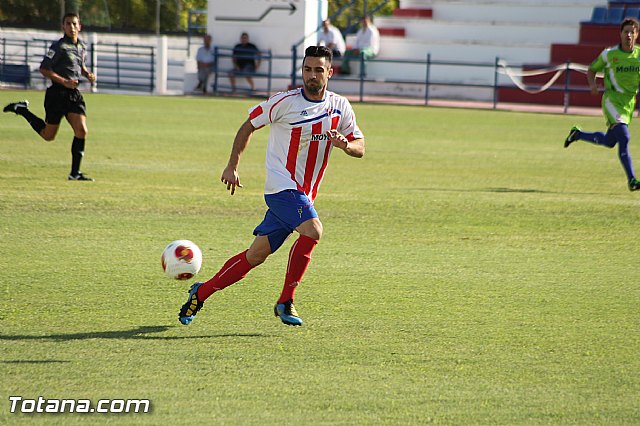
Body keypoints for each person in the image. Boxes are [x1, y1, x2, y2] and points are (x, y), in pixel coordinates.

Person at [179, 45, 365, 327]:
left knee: (255, 255)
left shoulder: (340, 106)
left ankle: (200, 294)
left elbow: (360, 147)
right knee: (314, 231)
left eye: (318, 70)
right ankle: (285, 300)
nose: (311, 75)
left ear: (330, 72)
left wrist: (346, 145)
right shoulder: (285, 102)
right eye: (307, 69)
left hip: (304, 195)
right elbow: (248, 125)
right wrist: (232, 165)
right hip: (281, 188)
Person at [3, 12, 96, 181]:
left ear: (79, 27)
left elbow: (80, 65)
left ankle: (75, 173)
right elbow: (44, 68)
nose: (71, 27)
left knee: (81, 131)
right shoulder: (58, 47)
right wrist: (64, 81)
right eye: (68, 24)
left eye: (74, 24)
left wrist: (88, 74)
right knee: (48, 135)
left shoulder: (81, 46)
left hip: (74, 95)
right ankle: (22, 110)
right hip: (57, 94)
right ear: (63, 27)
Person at [564, 17, 640, 191]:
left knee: (609, 141)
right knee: (625, 137)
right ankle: (632, 180)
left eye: (632, 32)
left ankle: (577, 135)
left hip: (629, 103)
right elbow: (591, 70)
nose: (629, 35)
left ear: (637, 34)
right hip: (612, 100)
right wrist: (592, 85)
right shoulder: (609, 54)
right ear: (620, 34)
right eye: (626, 31)